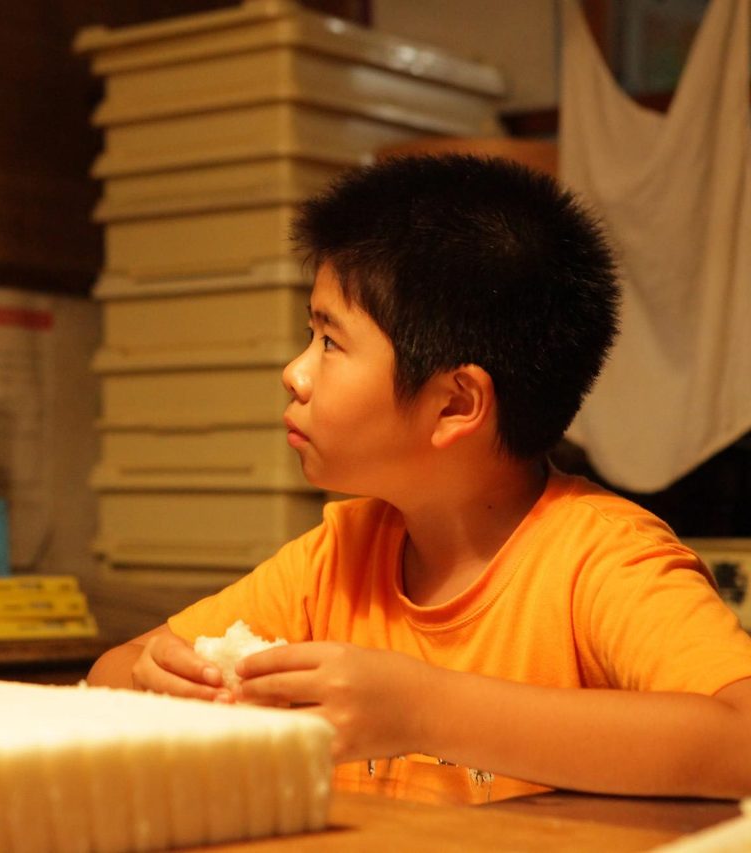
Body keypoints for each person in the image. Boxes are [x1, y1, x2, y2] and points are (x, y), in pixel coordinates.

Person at [88, 155, 751, 801]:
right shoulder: (338, 555)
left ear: (456, 405)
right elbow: (110, 672)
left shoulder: (603, 560)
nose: (295, 372)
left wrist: (424, 711)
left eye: (330, 342)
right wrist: (158, 683)